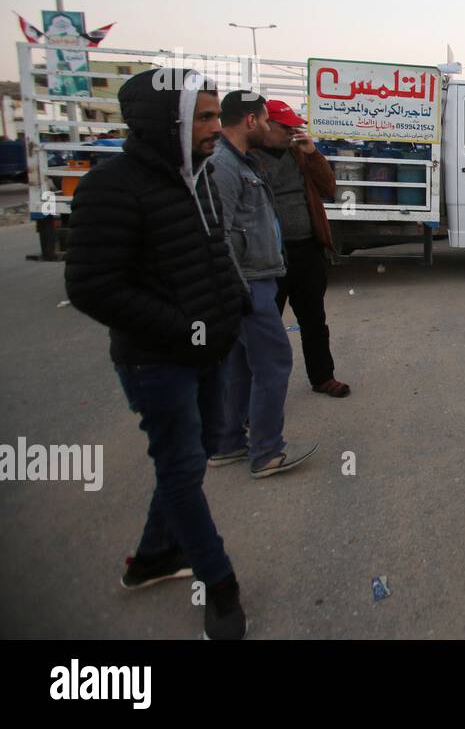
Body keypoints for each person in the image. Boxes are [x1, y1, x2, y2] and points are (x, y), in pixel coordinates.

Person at [64, 68, 248, 639]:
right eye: (204, 117)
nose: (216, 129)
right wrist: (185, 328)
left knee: (195, 453)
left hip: (210, 349)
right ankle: (219, 585)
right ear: (163, 121)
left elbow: (215, 253)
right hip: (156, 361)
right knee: (183, 466)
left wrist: (233, 307)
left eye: (217, 116)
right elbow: (92, 286)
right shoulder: (109, 188)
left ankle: (152, 558)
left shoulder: (198, 178)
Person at [209, 92, 317, 479]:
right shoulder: (223, 166)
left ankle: (228, 443)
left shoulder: (240, 161)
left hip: (256, 277)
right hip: (247, 282)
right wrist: (234, 289)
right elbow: (217, 234)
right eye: (268, 120)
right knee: (273, 364)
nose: (273, 127)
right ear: (252, 121)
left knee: (242, 365)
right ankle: (267, 452)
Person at [253, 100, 350, 397]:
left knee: (314, 321)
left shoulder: (299, 155)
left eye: (294, 127)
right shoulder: (247, 158)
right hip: (269, 257)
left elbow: (329, 188)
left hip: (307, 250)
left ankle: (322, 377)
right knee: (263, 329)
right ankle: (257, 394)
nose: (292, 132)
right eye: (286, 127)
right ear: (264, 125)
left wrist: (314, 154)